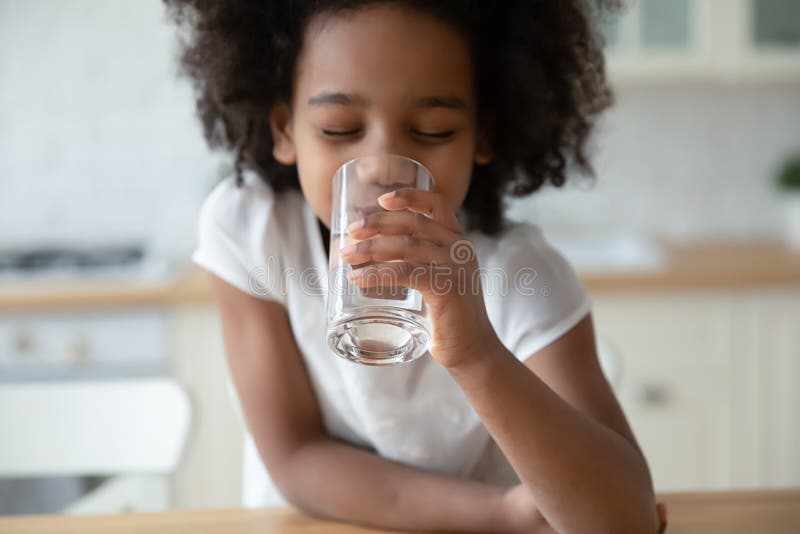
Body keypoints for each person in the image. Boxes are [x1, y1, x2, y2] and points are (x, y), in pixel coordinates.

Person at [166, 1, 667, 532]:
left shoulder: (521, 275)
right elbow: (295, 456)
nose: (383, 168)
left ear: (485, 134)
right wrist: (497, 512)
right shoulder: (252, 230)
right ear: (285, 129)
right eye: (339, 128)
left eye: (431, 131)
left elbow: (626, 521)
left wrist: (475, 352)